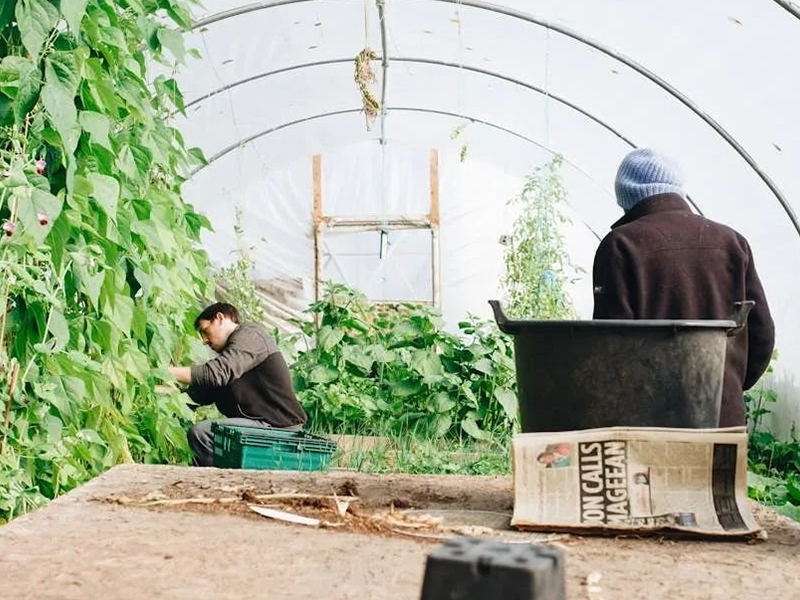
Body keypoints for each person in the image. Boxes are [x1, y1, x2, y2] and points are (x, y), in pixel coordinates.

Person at [592, 148, 775, 427]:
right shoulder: (733, 242)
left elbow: (612, 343)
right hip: (723, 418)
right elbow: (762, 334)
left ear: (626, 198)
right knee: (719, 473)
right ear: (678, 190)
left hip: (650, 421)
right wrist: (730, 386)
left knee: (656, 473)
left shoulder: (620, 244)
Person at [168, 302, 307, 466]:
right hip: (262, 425)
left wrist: (166, 372)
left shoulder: (251, 336)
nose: (204, 340)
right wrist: (160, 392)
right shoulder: (232, 357)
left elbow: (215, 373)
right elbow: (197, 395)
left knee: (202, 433)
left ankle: (213, 485)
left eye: (205, 331)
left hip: (279, 427)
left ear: (220, 318)